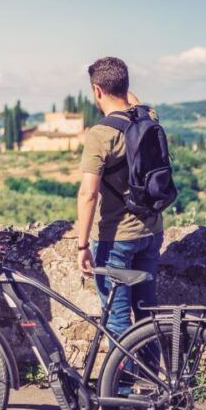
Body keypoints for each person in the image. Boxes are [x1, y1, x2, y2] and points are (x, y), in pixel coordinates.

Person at [76, 56, 164, 362]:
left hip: (117, 239)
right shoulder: (147, 117)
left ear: (97, 91)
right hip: (152, 232)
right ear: (125, 86)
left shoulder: (100, 134)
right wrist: (122, 87)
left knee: (116, 321)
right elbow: (133, 100)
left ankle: (121, 393)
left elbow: (88, 194)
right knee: (146, 316)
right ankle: (152, 386)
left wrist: (82, 244)